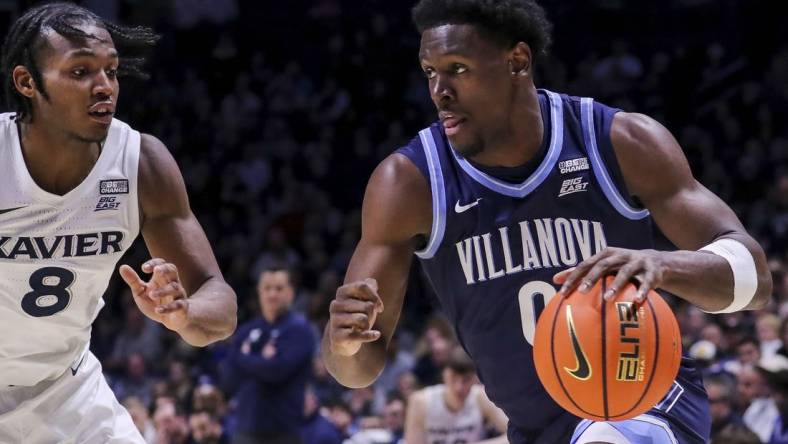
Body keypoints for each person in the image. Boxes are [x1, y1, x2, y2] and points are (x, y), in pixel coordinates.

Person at [321, 0, 773, 443]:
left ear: (517, 61)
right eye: (430, 72)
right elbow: (358, 370)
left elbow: (755, 282)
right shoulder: (409, 183)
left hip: (644, 402)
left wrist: (665, 265)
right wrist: (344, 343)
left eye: (458, 68)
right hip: (536, 428)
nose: (440, 91)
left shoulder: (618, 141)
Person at [0, 3, 237, 442]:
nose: (104, 86)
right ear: (26, 82)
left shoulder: (140, 162)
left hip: (63, 389)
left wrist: (183, 314)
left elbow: (219, 303)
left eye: (111, 71)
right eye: (80, 72)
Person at [221, 265, 315, 444]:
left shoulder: (299, 330)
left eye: (279, 288)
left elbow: (277, 371)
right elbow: (228, 375)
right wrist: (260, 361)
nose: (272, 294)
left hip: (283, 432)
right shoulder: (247, 330)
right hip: (245, 430)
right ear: (259, 292)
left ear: (291, 293)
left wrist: (245, 358)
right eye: (267, 288)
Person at [404, 347, 507, 444]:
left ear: (475, 379)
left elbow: (515, 435)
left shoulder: (481, 397)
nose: (459, 387)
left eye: (466, 380)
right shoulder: (421, 401)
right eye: (453, 378)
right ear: (444, 375)